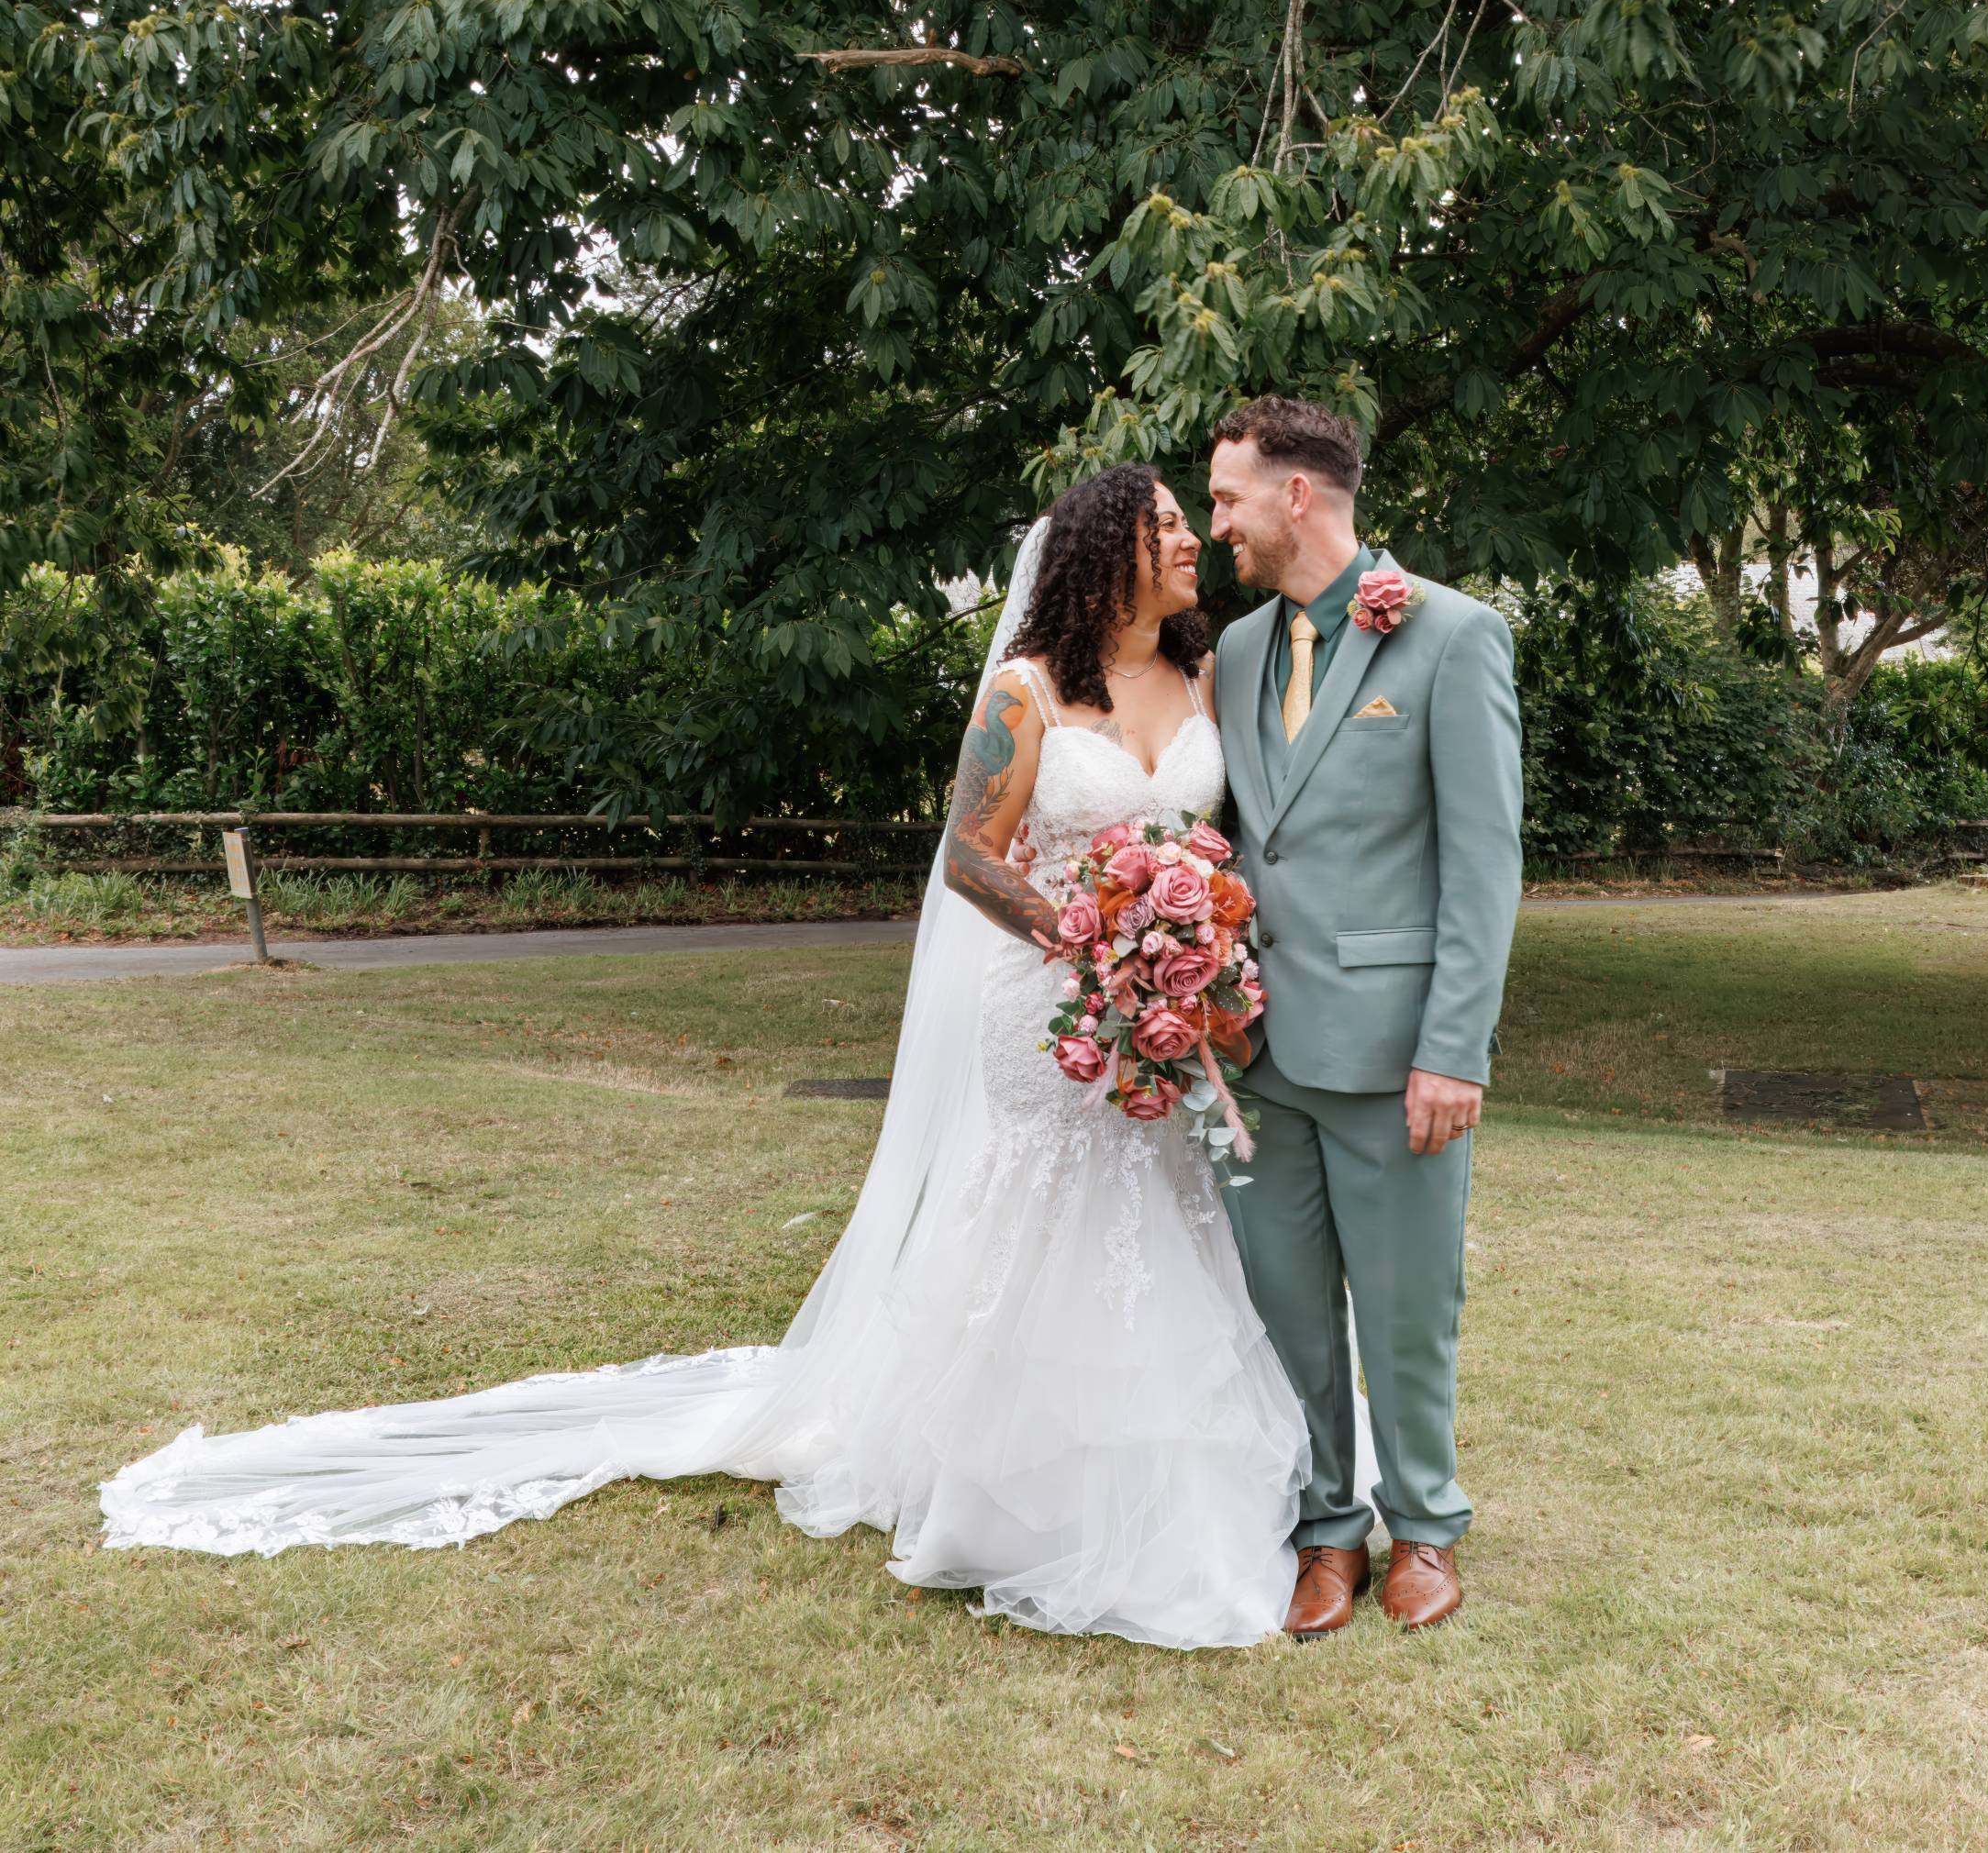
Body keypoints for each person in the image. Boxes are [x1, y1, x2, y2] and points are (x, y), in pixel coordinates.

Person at [99, 464, 1313, 1651]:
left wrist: (1182, 946)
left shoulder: (1202, 671)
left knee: (1158, 1205)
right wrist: (1089, 937)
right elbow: (967, 856)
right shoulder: (1026, 691)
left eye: (1187, 520)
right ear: (1103, 553)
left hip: (1160, 1006)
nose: (1187, 539)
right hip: (1046, 1006)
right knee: (1046, 1214)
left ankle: (1169, 1473)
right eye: (1164, 524)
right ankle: (1013, 1490)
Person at [1206, 395, 1523, 1636]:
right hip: (1251, 1048)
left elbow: (1483, 865)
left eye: (1227, 496)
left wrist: (1455, 1049)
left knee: (1405, 1306)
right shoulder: (1236, 651)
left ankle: (1426, 1525)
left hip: (1397, 1052)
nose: (1216, 523)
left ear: (1297, 494)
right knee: (1283, 1303)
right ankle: (1326, 1528)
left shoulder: (1454, 634)